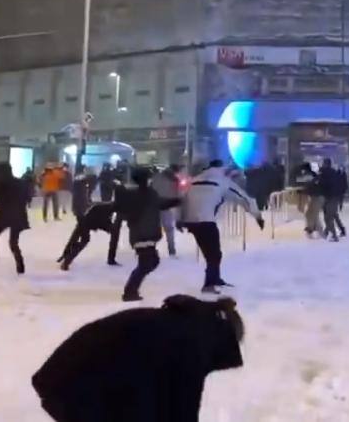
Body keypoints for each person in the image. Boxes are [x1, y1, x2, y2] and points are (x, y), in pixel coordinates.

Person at [31, 294, 245, 422]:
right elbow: (184, 408)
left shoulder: (183, 325)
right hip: (75, 385)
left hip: (69, 377)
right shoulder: (193, 344)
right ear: (225, 338)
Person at [180, 160, 264, 293]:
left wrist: (180, 219)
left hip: (191, 221)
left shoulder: (194, 180)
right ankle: (209, 284)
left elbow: (182, 200)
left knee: (211, 253)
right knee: (214, 255)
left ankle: (215, 278)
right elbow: (244, 199)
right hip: (206, 221)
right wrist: (258, 216)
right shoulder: (222, 181)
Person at [119, 167, 183, 301]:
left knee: (151, 261)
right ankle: (129, 292)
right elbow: (161, 203)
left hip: (140, 233)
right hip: (144, 234)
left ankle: (131, 290)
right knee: (146, 264)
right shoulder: (148, 194)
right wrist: (177, 201)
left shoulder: (135, 194)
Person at [0, 163, 30, 274]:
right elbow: (28, 197)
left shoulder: (0, 184)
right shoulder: (21, 182)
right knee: (13, 242)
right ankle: (20, 265)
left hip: (3, 214)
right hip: (19, 214)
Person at [58, 200, 121, 271]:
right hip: (85, 223)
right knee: (83, 241)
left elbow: (102, 221)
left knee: (74, 238)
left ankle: (65, 256)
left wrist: (108, 228)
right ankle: (66, 262)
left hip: (83, 221)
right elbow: (102, 222)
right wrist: (109, 228)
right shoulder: (106, 209)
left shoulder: (106, 207)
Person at [149, 164, 183, 256]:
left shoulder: (156, 177)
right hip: (166, 207)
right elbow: (177, 195)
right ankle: (172, 250)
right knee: (169, 229)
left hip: (154, 206)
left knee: (153, 229)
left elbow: (150, 189)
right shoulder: (175, 180)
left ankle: (150, 249)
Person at [318, 159, 348, 242]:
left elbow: (321, 184)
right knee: (332, 215)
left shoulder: (323, 173)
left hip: (328, 197)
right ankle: (334, 230)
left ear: (325, 164)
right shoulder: (334, 172)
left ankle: (334, 235)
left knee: (328, 217)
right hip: (334, 196)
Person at [295, 162, 322, 238]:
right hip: (315, 197)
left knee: (313, 214)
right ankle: (316, 230)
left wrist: (303, 190)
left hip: (318, 197)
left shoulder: (314, 176)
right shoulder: (313, 175)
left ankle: (313, 229)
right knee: (312, 214)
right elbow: (304, 183)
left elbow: (309, 186)